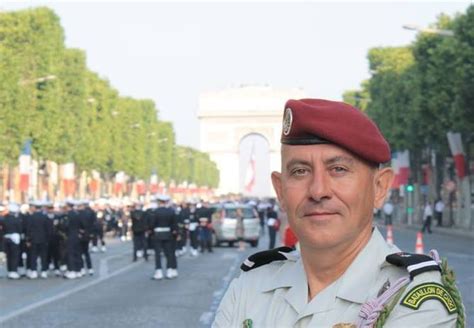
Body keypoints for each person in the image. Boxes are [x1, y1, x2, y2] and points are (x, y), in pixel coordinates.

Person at [213, 98, 464, 327]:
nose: (318, 190)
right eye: (300, 171)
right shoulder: (250, 285)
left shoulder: (419, 299)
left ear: (379, 187)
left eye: (339, 169)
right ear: (280, 190)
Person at [148, 195, 178, 280]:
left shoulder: (155, 212)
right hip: (168, 234)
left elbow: (152, 224)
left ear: (159, 202)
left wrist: (151, 230)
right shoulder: (171, 211)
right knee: (168, 253)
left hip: (157, 234)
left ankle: (159, 272)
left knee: (157, 254)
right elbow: (174, 224)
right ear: (166, 202)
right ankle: (169, 271)